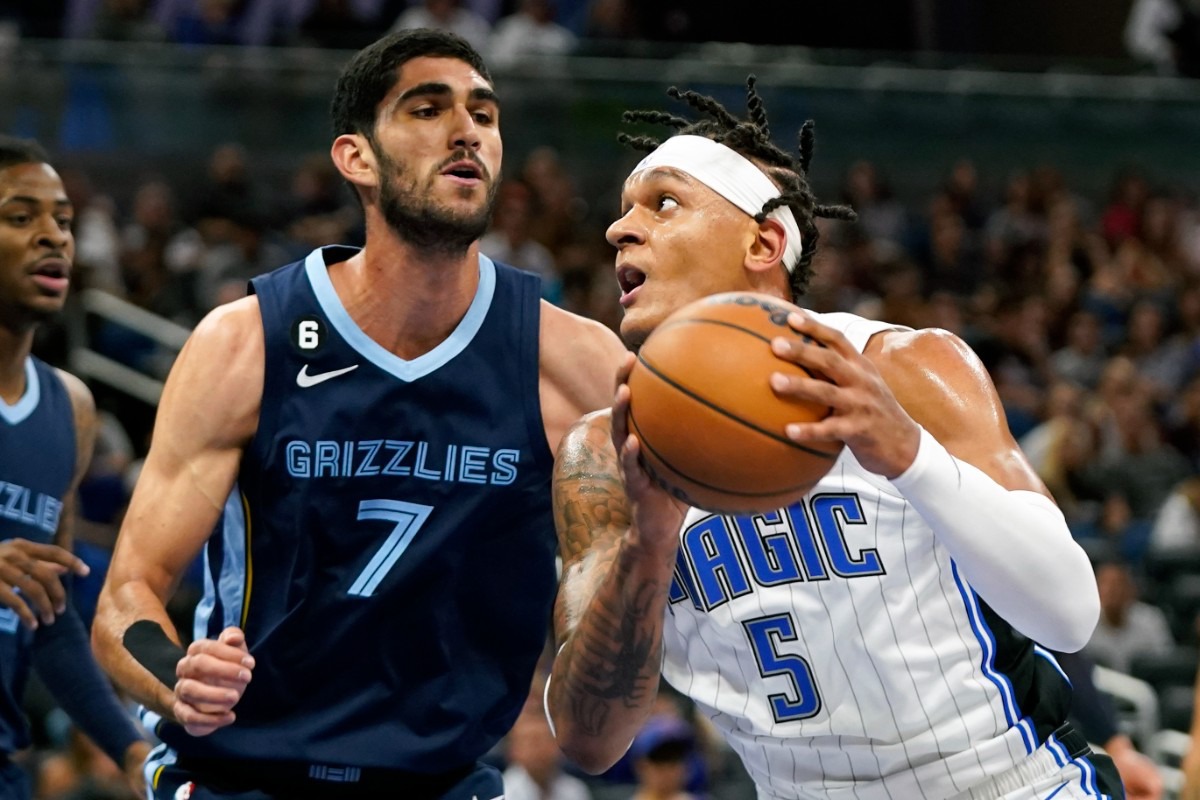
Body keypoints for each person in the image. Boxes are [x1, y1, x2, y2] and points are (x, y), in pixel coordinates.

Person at [545, 78, 1122, 799]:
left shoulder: (902, 367)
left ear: (764, 240)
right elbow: (588, 740)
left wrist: (909, 457)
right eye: (623, 210)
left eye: (663, 203)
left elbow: (1068, 613)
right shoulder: (604, 454)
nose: (619, 229)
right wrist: (649, 545)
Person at [90, 28, 626, 800]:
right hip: (240, 772)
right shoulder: (248, 344)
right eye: (427, 108)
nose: (466, 130)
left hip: (442, 779)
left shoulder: (573, 364)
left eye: (484, 112)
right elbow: (125, 599)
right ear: (356, 158)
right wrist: (179, 679)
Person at [0, 135, 149, 798]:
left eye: (62, 219)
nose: (52, 237)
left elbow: (52, 624)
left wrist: (132, 748)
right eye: (20, 216)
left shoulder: (72, 407)